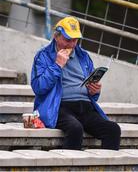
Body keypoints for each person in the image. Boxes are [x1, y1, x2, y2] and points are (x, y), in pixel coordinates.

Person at [31, 16, 121, 150]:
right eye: (68, 40)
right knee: (75, 128)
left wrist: (94, 91)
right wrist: (57, 65)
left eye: (75, 40)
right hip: (59, 107)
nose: (72, 45)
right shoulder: (43, 55)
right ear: (56, 36)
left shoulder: (83, 55)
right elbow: (38, 88)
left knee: (113, 129)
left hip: (85, 107)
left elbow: (92, 92)